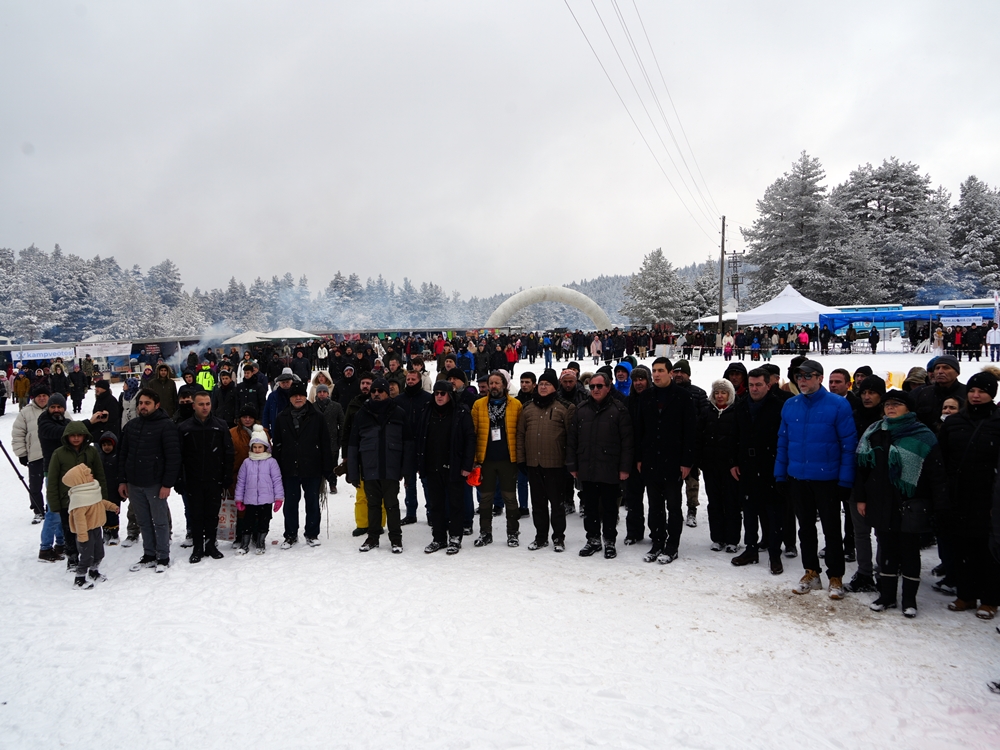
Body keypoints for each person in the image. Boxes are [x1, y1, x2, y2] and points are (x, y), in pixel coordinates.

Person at [853, 389, 948, 617]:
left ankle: (909, 599)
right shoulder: (874, 432)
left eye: (896, 404)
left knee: (909, 552)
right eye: (887, 404)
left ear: (908, 408)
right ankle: (886, 596)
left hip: (911, 503)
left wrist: (939, 505)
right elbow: (862, 469)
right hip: (881, 500)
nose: (890, 408)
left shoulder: (923, 435)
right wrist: (861, 497)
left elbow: (936, 475)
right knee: (886, 549)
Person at [775, 359, 857, 600]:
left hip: (828, 479)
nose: (803, 380)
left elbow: (848, 445)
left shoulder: (838, 405)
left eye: (808, 376)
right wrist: (781, 474)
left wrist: (845, 480)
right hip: (799, 477)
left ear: (820, 378)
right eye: (799, 376)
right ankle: (811, 572)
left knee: (832, 529)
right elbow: (783, 442)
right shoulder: (790, 405)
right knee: (806, 529)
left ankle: (836, 576)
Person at [937, 370, 1000, 620]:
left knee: (989, 550)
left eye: (982, 391)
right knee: (962, 547)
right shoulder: (954, 423)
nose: (975, 395)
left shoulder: (998, 422)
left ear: (992, 394)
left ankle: (991, 599)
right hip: (959, 495)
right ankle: (965, 595)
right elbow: (942, 459)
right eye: (972, 391)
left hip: (991, 498)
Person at [634, 358, 697, 564]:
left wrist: (687, 461)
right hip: (651, 459)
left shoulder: (683, 397)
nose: (656, 374)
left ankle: (672, 545)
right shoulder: (646, 396)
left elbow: (690, 431)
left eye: (660, 370)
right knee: (654, 505)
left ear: (670, 372)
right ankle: (657, 541)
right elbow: (639, 430)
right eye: (654, 371)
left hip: (674, 461)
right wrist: (639, 457)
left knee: (673, 505)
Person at [566, 372, 632, 559]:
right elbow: (572, 440)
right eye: (592, 386)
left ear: (608, 387)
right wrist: (572, 464)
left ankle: (609, 540)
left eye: (599, 386)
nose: (595, 389)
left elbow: (627, 442)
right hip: (587, 467)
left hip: (610, 468)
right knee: (590, 507)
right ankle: (593, 539)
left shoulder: (619, 410)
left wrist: (624, 468)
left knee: (610, 508)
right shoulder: (581, 409)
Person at [119, 389, 182, 573]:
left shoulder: (166, 426)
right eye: (141, 403)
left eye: (147, 403)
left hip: (155, 483)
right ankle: (149, 554)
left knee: (160, 521)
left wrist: (167, 484)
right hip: (134, 482)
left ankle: (163, 556)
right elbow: (123, 455)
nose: (143, 406)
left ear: (157, 405)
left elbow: (173, 457)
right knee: (143, 521)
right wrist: (123, 481)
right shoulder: (131, 426)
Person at [729, 368, 785, 572]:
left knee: (773, 512)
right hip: (746, 466)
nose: (754, 388)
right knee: (750, 510)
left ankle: (774, 554)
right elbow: (734, 436)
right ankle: (751, 549)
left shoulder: (779, 407)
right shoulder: (741, 406)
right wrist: (733, 462)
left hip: (771, 464)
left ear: (768, 385)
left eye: (758, 384)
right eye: (751, 384)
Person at [349, 378, 409, 553]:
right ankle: (372, 537)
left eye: (380, 391)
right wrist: (353, 472)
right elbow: (353, 445)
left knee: (391, 505)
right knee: (372, 505)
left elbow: (408, 443)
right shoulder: (362, 413)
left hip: (391, 467)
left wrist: (406, 470)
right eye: (373, 391)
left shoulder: (399, 413)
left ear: (387, 393)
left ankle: (396, 539)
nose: (376, 393)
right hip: (370, 467)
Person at [517, 368, 575, 552]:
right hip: (534, 464)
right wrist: (521, 459)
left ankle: (558, 537)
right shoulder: (527, 408)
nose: (543, 387)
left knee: (557, 505)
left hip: (556, 465)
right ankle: (540, 536)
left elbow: (571, 438)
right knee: (538, 504)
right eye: (541, 384)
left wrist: (570, 462)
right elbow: (520, 435)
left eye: (547, 384)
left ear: (554, 387)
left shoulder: (565, 407)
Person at [272, 381, 334, 549]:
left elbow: (325, 444)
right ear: (290, 398)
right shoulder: (281, 418)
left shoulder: (317, 417)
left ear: (305, 396)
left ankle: (312, 533)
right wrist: (275, 469)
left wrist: (328, 469)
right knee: (291, 504)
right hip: (289, 467)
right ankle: (291, 535)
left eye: (300, 395)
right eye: (294, 395)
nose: (298, 398)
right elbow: (277, 445)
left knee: (312, 501)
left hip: (312, 466)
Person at [416, 381, 475, 554]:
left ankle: (455, 537)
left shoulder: (461, 412)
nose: (439, 396)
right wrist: (420, 463)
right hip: (432, 465)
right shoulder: (427, 410)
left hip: (455, 466)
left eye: (443, 393)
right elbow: (420, 437)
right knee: (436, 504)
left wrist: (466, 465)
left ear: (450, 394)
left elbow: (470, 439)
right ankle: (439, 538)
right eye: (436, 393)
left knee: (456, 503)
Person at [177, 391, 235, 564]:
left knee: (212, 514)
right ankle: (197, 547)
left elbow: (228, 452)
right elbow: (178, 456)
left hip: (214, 479)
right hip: (193, 480)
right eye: (201, 404)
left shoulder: (220, 425)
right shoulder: (184, 427)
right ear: (193, 405)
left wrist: (226, 476)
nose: (204, 407)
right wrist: (179, 479)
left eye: (207, 404)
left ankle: (210, 544)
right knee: (196, 515)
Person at [844, 375, 886, 594]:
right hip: (856, 480)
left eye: (872, 393)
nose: (867, 397)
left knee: (882, 531)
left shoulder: (888, 420)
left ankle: (884, 574)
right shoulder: (853, 416)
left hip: (882, 484)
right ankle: (864, 573)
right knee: (860, 531)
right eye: (864, 393)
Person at [470, 371, 523, 547]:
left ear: (504, 385)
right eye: (491, 383)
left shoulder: (516, 405)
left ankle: (513, 533)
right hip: (486, 459)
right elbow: (473, 433)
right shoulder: (478, 405)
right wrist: (474, 459)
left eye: (497, 383)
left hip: (508, 459)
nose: (493, 386)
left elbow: (520, 434)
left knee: (510, 498)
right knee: (485, 499)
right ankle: (485, 533)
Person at [59, 460, 116, 590]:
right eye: (89, 474)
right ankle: (79, 579)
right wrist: (82, 535)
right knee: (86, 556)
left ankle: (94, 571)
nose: (92, 476)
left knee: (99, 552)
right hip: (85, 533)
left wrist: (111, 507)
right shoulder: (79, 499)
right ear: (81, 480)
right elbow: (79, 520)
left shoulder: (91, 490)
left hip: (96, 528)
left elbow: (99, 502)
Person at [701, 379, 741, 554]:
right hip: (711, 466)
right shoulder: (706, 412)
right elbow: (699, 437)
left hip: (730, 467)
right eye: (717, 392)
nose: (720, 396)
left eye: (723, 392)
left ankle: (732, 539)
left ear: (729, 394)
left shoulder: (737, 413)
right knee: (714, 503)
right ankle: (717, 537)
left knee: (732, 503)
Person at [234, 425, 284, 555]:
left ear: (265, 447)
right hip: (249, 500)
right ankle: (244, 544)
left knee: (264, 521)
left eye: (260, 447)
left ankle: (260, 542)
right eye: (254, 447)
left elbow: (277, 480)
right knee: (248, 522)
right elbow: (241, 481)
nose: (257, 450)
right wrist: (239, 499)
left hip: (266, 499)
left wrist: (279, 498)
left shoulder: (271, 462)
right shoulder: (246, 462)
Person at [671, 360, 709, 528]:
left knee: (692, 481)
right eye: (676, 372)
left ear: (688, 374)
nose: (679, 375)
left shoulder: (698, 393)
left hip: (692, 444)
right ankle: (674, 511)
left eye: (682, 372)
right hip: (673, 446)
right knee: (672, 483)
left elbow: (705, 417)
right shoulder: (668, 392)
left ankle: (692, 509)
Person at [11, 384, 49, 523]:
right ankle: (38, 510)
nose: (42, 398)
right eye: (39, 396)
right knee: (35, 486)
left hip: (53, 455)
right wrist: (22, 453)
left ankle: (54, 508)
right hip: (35, 455)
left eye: (44, 395)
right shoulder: (25, 412)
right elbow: (18, 434)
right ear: (34, 398)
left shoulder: (56, 408)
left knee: (56, 484)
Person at [913, 355, 966, 431]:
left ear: (957, 372)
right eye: (937, 368)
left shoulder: (968, 394)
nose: (940, 371)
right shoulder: (922, 393)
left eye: (946, 368)